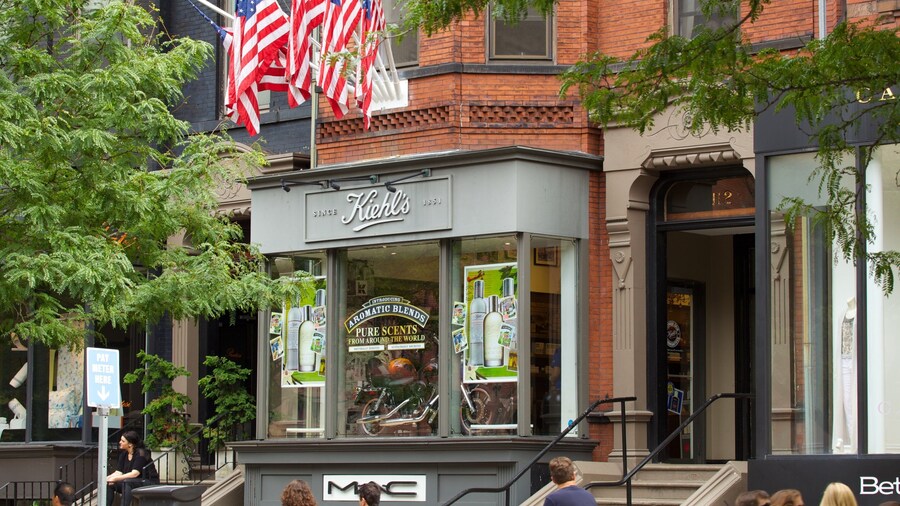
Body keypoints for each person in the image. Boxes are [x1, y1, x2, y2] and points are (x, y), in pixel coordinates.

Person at [106, 430, 159, 506]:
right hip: (133, 482)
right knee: (110, 484)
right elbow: (118, 472)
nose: (120, 442)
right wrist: (108, 478)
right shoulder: (124, 454)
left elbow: (135, 473)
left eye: (123, 441)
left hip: (149, 482)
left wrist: (115, 479)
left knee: (127, 482)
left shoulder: (141, 454)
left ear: (130, 444)